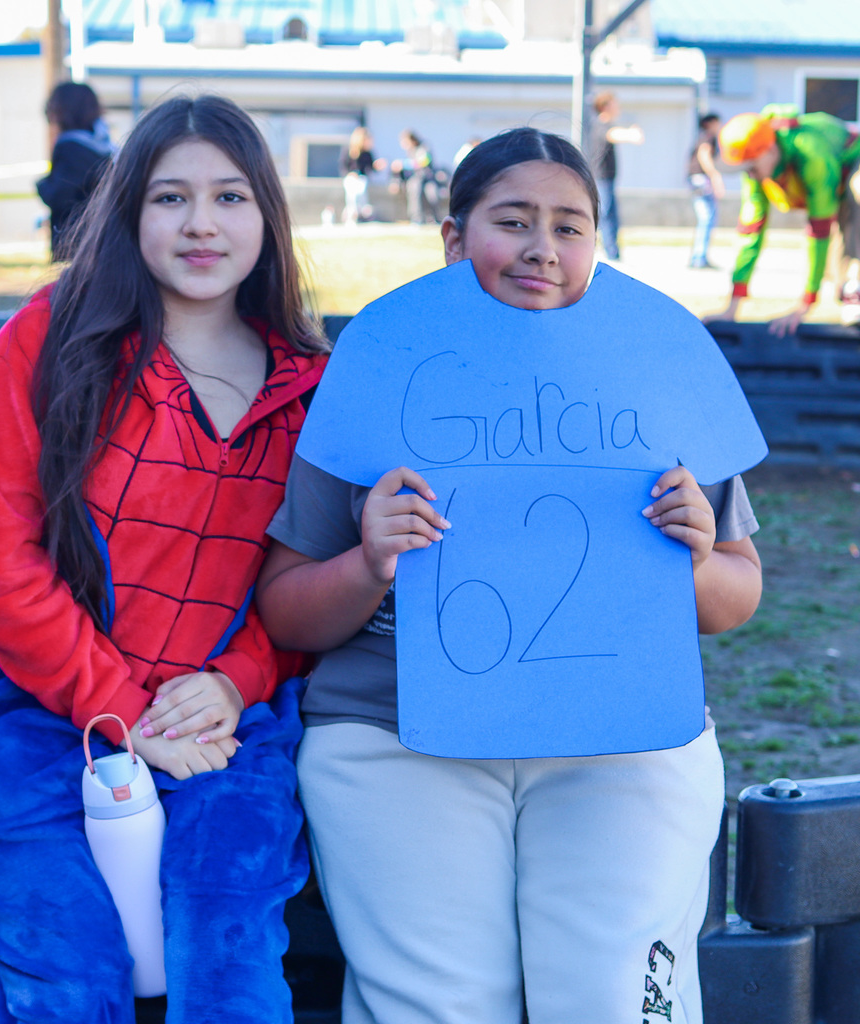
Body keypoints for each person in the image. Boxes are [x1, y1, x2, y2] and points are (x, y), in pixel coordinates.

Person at [255, 128, 763, 1024]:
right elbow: (287, 612)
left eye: (569, 227)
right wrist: (369, 563)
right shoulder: (381, 366)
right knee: (436, 1003)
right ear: (453, 238)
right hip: (396, 732)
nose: (543, 249)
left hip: (621, 731)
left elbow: (738, 595)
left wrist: (691, 562)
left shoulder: (654, 368)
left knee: (616, 999)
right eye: (514, 221)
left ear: (597, 243)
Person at [0, 94, 329, 1024]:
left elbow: (304, 588)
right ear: (129, 210)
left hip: (219, 717)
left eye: (230, 197)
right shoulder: (54, 337)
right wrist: (123, 711)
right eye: (170, 198)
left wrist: (236, 682)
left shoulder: (311, 387)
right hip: (20, 706)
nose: (201, 224)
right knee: (69, 967)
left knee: (230, 967)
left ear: (268, 214)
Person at [710, 106, 860, 335]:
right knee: (837, 264)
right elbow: (751, 232)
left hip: (852, 161)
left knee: (857, 191)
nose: (750, 174)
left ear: (770, 150)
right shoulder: (756, 171)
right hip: (834, 178)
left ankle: (855, 292)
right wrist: (732, 307)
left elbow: (819, 229)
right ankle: (849, 293)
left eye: (752, 167)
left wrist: (804, 305)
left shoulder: (809, 152)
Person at [37, 81, 116, 261]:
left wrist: (42, 185)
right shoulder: (104, 145)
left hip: (74, 244)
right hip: (102, 240)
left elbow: (59, 196)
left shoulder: (70, 147)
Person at [589, 91, 644, 260]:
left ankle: (613, 251)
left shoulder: (605, 125)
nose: (618, 107)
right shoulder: (601, 125)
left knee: (610, 214)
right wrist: (631, 135)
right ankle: (606, 251)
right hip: (601, 177)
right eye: (615, 104)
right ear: (605, 106)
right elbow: (613, 134)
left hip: (607, 178)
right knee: (604, 214)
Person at [688, 112, 725, 269]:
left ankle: (699, 256)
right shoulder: (708, 137)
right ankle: (699, 257)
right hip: (702, 180)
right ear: (710, 124)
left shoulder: (702, 136)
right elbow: (704, 155)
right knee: (707, 218)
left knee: (705, 218)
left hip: (696, 179)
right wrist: (715, 177)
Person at [391, 129, 440, 225]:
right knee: (414, 189)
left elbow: (423, 162)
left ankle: (433, 218)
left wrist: (403, 164)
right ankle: (416, 219)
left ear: (412, 140)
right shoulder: (410, 151)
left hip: (428, 178)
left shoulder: (424, 147)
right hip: (416, 179)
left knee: (432, 193)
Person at [339, 126, 385, 224]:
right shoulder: (348, 150)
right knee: (352, 191)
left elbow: (370, 167)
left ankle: (360, 213)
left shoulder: (367, 153)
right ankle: (352, 213)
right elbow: (343, 167)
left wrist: (377, 166)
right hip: (350, 178)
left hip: (362, 178)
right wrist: (350, 174)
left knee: (360, 189)